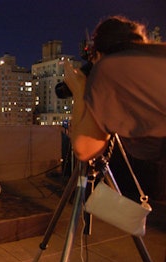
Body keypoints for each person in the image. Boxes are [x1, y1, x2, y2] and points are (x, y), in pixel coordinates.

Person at [64, 15, 166, 200]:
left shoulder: (108, 69)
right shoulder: (155, 57)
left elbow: (84, 148)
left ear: (99, 54)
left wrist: (80, 92)